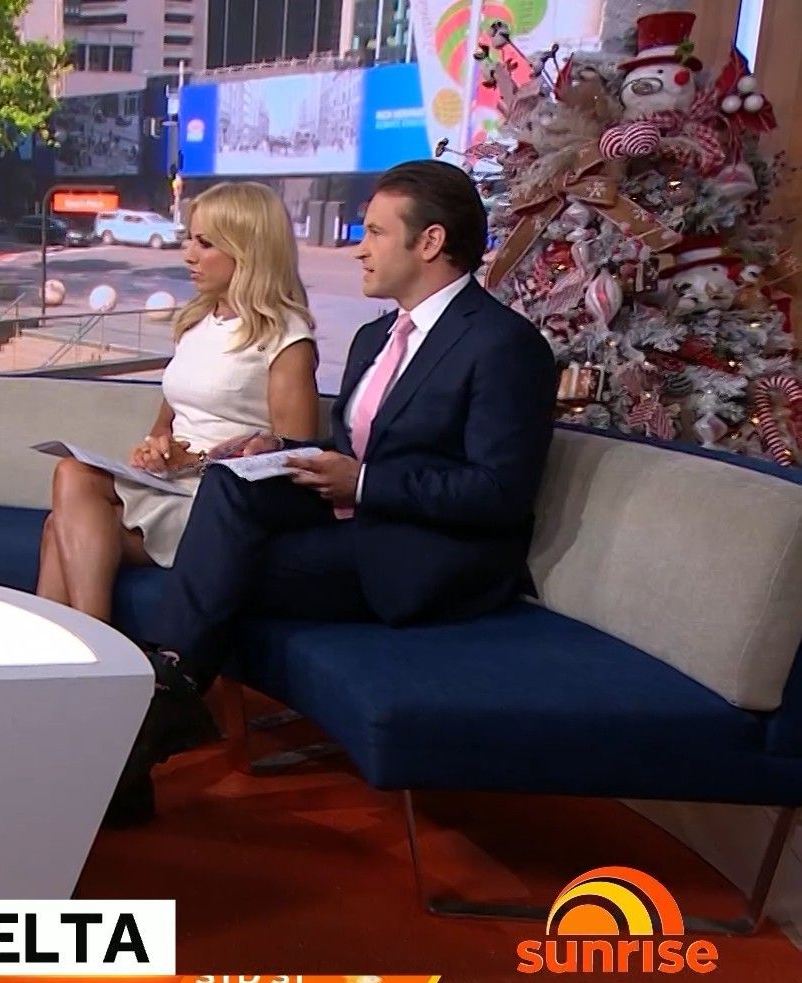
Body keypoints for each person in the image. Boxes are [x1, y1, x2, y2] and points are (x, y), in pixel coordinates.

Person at [106, 160, 558, 826]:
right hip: (358, 519)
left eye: (375, 232)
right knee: (230, 481)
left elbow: (499, 493)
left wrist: (365, 481)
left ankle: (153, 709)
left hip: (432, 552)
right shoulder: (377, 337)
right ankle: (168, 691)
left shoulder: (503, 345)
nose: (358, 248)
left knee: (226, 568)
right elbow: (354, 448)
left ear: (430, 242)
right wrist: (277, 447)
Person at [37, 181, 320, 623]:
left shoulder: (286, 337)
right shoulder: (195, 324)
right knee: (72, 473)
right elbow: (164, 428)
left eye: (205, 243)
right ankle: (95, 649)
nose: (188, 254)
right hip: (170, 482)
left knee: (60, 526)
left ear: (248, 250)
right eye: (189, 238)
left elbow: (293, 460)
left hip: (216, 505)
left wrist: (200, 462)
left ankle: (87, 648)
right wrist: (154, 449)